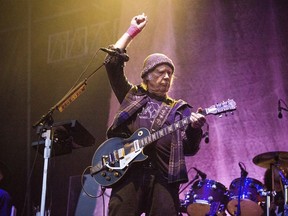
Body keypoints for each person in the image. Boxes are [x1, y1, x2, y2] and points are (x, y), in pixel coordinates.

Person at [103, 13, 206, 216]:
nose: (166, 76)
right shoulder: (132, 96)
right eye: (161, 72)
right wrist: (131, 32)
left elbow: (189, 148)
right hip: (129, 173)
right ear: (147, 76)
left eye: (169, 73)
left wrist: (195, 130)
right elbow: (112, 63)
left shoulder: (179, 109)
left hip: (164, 179)